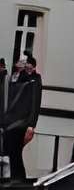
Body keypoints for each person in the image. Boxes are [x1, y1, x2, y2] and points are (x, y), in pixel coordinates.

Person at [3, 51, 43, 183]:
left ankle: (18, 177)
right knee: (12, 149)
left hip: (22, 121)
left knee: (15, 148)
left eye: (24, 62)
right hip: (9, 120)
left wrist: (31, 124)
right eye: (20, 62)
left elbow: (35, 102)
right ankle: (16, 176)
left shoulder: (33, 79)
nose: (22, 64)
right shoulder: (12, 78)